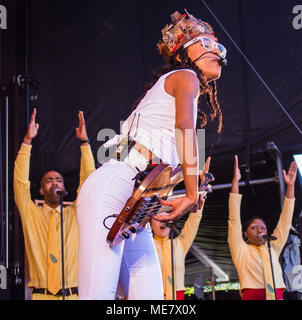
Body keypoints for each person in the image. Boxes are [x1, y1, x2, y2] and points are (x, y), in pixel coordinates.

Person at [76, 10, 226, 300]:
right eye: (205, 44)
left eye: (217, 47)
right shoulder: (185, 76)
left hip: (137, 206)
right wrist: (192, 192)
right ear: (183, 53)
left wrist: (188, 183)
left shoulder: (176, 86)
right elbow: (186, 128)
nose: (216, 52)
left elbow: (156, 163)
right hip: (115, 188)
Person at [13, 108, 95, 300]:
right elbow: (20, 182)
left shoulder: (75, 213)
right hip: (41, 296)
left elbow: (88, 181)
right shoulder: (31, 214)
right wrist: (27, 142)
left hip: (73, 295)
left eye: (58, 179)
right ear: (41, 190)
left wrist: (84, 142)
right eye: (49, 180)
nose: (55, 182)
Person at [228, 155, 297, 300]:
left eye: (263, 227)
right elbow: (234, 218)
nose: (260, 230)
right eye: (254, 228)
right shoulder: (241, 249)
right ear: (245, 234)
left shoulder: (272, 247)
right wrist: (235, 182)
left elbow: (285, 222)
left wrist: (290, 186)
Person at [151, 156, 211, 300]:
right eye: (159, 215)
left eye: (168, 214)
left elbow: (195, 218)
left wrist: (202, 186)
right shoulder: (146, 244)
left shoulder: (180, 244)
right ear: (150, 221)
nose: (164, 219)